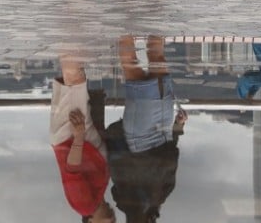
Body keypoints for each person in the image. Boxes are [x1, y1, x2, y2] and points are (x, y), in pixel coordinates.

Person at [106, 35, 186, 222]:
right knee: (159, 61)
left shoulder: (128, 202)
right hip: (164, 131)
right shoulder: (161, 197)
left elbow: (119, 166)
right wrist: (177, 127)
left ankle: (123, 25)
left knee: (132, 68)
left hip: (141, 138)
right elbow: (170, 155)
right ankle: (154, 20)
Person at [50, 53, 115, 222]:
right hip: (78, 135)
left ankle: (71, 41)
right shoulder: (97, 197)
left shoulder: (85, 206)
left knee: (73, 79)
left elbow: (72, 171)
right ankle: (73, 45)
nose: (113, 220)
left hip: (71, 136)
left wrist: (78, 137)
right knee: (74, 79)